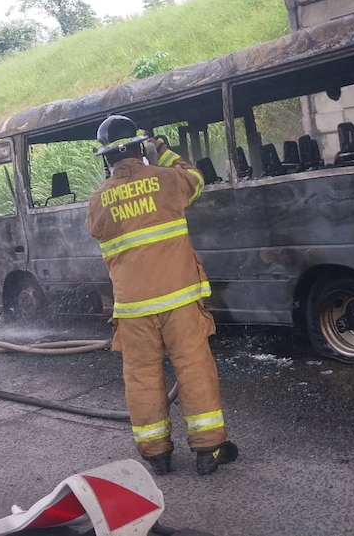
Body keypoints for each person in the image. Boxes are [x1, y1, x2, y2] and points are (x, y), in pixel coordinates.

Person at [86, 114, 238, 477]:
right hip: (179, 300)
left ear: (107, 158)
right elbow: (197, 179)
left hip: (134, 309)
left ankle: (157, 454)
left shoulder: (97, 201)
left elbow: (99, 230)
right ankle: (209, 450)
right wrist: (163, 152)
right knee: (193, 369)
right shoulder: (168, 179)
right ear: (141, 147)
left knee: (141, 376)